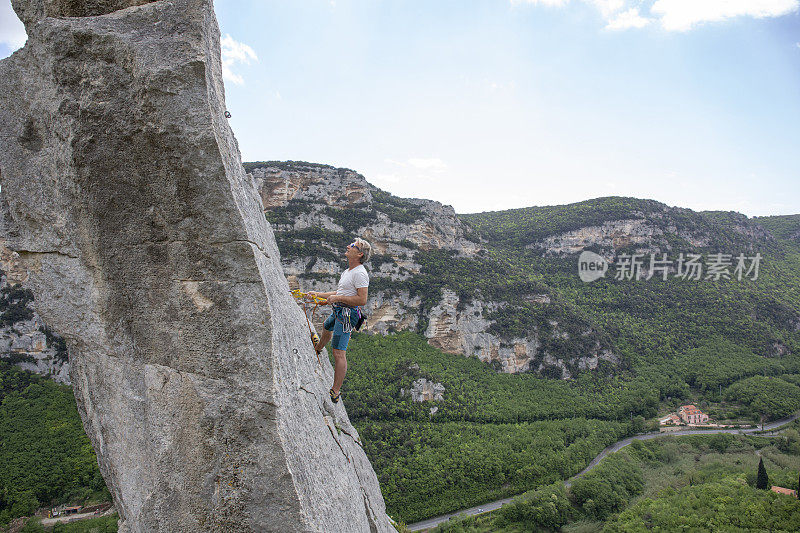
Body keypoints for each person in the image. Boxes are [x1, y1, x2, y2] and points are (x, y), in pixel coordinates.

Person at [308, 237, 371, 403]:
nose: (348, 247)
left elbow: (362, 300)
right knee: (327, 326)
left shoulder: (360, 274)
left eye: (353, 246)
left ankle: (335, 391)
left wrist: (337, 298)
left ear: (359, 254)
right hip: (338, 311)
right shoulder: (348, 271)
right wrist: (319, 294)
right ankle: (319, 347)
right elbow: (340, 291)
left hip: (346, 316)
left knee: (339, 353)